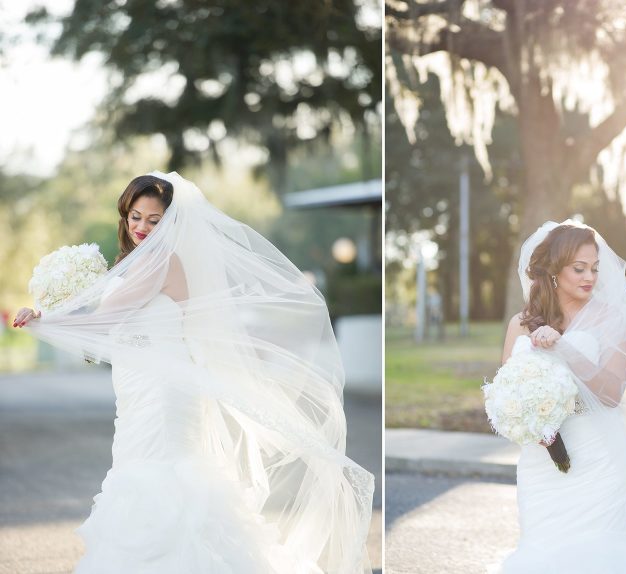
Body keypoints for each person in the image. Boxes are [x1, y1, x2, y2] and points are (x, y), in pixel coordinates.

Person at [14, 171, 374, 574]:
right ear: (125, 216)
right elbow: (111, 322)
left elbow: (106, 317)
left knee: (161, 482)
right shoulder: (133, 264)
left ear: (170, 222)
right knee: (143, 477)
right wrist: (50, 315)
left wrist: (45, 321)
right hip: (137, 391)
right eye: (135, 217)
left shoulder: (163, 264)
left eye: (154, 219)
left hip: (165, 392)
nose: (142, 228)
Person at [489, 220, 626, 573]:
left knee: (601, 551)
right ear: (555, 271)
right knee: (541, 549)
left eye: (594, 268)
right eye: (579, 268)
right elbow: (505, 389)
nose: (589, 276)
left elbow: (610, 394)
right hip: (539, 464)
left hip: (598, 455)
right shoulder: (521, 323)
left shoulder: (615, 319)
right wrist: (529, 418)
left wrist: (563, 349)